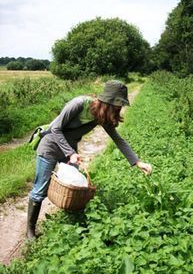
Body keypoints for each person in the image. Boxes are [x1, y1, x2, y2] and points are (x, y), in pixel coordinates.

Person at [27, 80, 152, 239]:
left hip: (69, 150)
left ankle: (69, 222)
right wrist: (70, 153)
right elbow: (55, 128)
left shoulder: (101, 116)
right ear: (107, 102)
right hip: (50, 146)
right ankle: (30, 231)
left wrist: (138, 162)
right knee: (40, 190)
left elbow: (118, 139)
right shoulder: (78, 104)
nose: (118, 110)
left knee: (74, 184)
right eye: (117, 107)